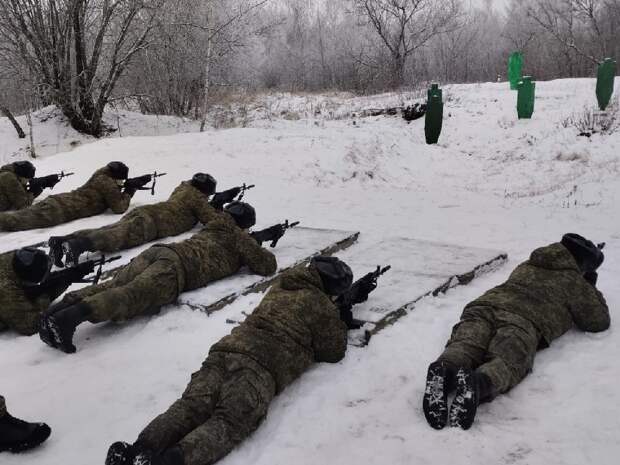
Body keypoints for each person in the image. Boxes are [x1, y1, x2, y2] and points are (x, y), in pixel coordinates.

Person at [104, 256, 377, 465]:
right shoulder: (321, 306)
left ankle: (138, 450)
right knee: (229, 421)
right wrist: (340, 313)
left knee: (189, 407)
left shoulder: (282, 285)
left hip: (224, 352)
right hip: (261, 368)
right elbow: (333, 351)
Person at [422, 233, 610, 430]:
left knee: (465, 344)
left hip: (484, 306)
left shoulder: (531, 263)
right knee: (508, 359)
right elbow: (598, 321)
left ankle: (444, 368)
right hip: (524, 319)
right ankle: (477, 383)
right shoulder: (575, 282)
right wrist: (589, 283)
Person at [39, 202, 278, 354]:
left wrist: (252, 240)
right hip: (175, 269)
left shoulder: (216, 224)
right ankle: (68, 319)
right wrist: (257, 241)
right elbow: (267, 266)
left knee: (114, 284)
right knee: (129, 296)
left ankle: (56, 312)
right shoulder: (240, 239)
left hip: (159, 252)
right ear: (246, 225)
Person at [48, 173, 221, 267]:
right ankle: (78, 246)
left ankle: (62, 241)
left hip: (148, 212)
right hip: (154, 223)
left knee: (109, 229)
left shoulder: (184, 188)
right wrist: (219, 207)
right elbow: (213, 221)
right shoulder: (198, 200)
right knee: (117, 237)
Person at [0, 161, 143, 232]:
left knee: (19, 217)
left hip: (58, 203)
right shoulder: (107, 183)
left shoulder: (100, 176)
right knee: (16, 221)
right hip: (60, 210)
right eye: (121, 180)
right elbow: (119, 207)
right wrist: (129, 191)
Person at [0, 247, 94, 335]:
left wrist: (63, 277)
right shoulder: (7, 290)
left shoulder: (14, 258)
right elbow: (30, 325)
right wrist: (46, 297)